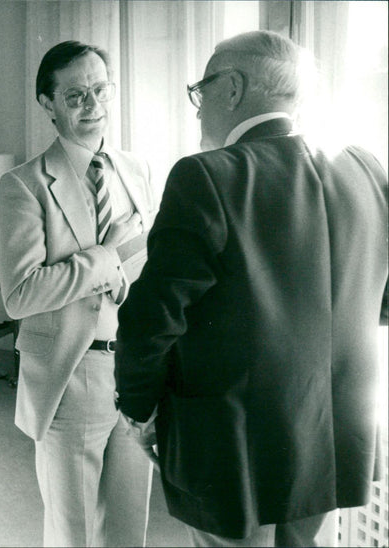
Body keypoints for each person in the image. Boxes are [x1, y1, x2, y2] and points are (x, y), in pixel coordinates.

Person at [115, 30, 388, 547]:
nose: (197, 109)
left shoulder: (208, 176)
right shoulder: (365, 168)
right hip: (330, 437)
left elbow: (151, 319)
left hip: (231, 445)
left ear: (233, 89)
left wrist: (138, 410)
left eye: (201, 89)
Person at [0, 40, 157, 546]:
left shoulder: (138, 170)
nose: (92, 106)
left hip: (135, 370)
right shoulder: (24, 185)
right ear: (47, 104)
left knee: (130, 531)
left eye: (100, 90)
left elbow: (146, 265)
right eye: (75, 95)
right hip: (72, 376)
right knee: (76, 536)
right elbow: (20, 294)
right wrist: (105, 260)